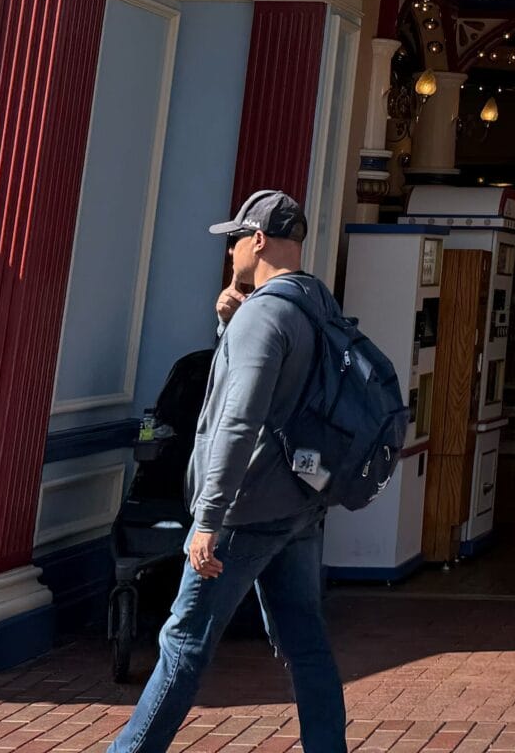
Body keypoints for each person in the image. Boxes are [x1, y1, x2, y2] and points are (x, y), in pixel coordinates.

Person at [107, 190, 350, 753]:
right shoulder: (315, 304)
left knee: (184, 642)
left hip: (244, 509)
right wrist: (227, 330)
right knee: (304, 640)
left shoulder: (264, 316)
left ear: (258, 240)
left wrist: (209, 517)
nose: (231, 251)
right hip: (298, 505)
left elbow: (237, 421)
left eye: (236, 239)